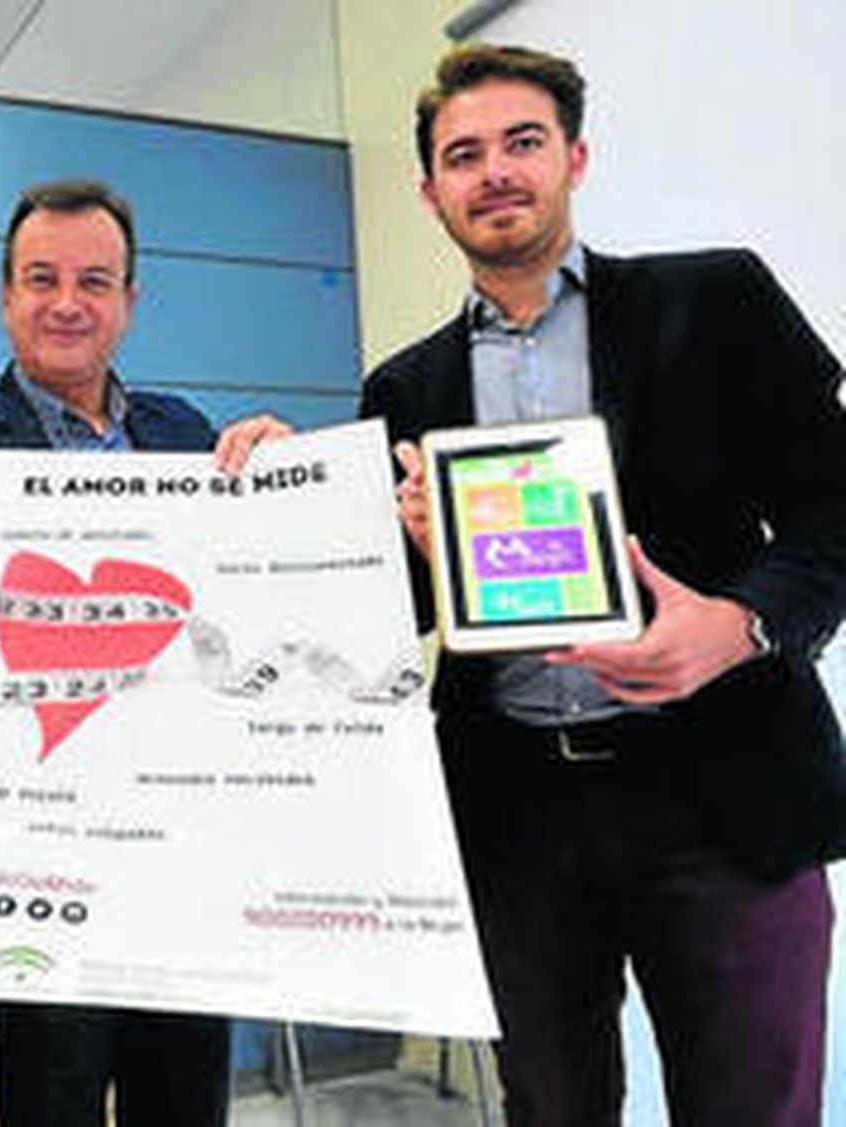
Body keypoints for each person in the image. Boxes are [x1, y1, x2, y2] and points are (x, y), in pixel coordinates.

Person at [361, 43, 846, 1126]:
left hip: (722, 792)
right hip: (516, 815)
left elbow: (832, 510)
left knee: (756, 1104)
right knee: (548, 1106)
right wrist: (286, 481)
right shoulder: (405, 387)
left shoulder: (716, 299)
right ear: (428, 188)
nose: (494, 171)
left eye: (521, 142)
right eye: (463, 153)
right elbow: (380, 607)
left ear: (574, 157)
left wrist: (738, 623)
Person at [0, 179, 285, 1127]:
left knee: (186, 1097)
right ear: (5, 296)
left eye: (95, 280)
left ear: (128, 300)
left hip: (176, 843)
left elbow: (239, 604)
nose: (67, 302)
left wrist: (285, 476)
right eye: (42, 278)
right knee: (52, 1097)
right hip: (39, 843)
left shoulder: (185, 435)